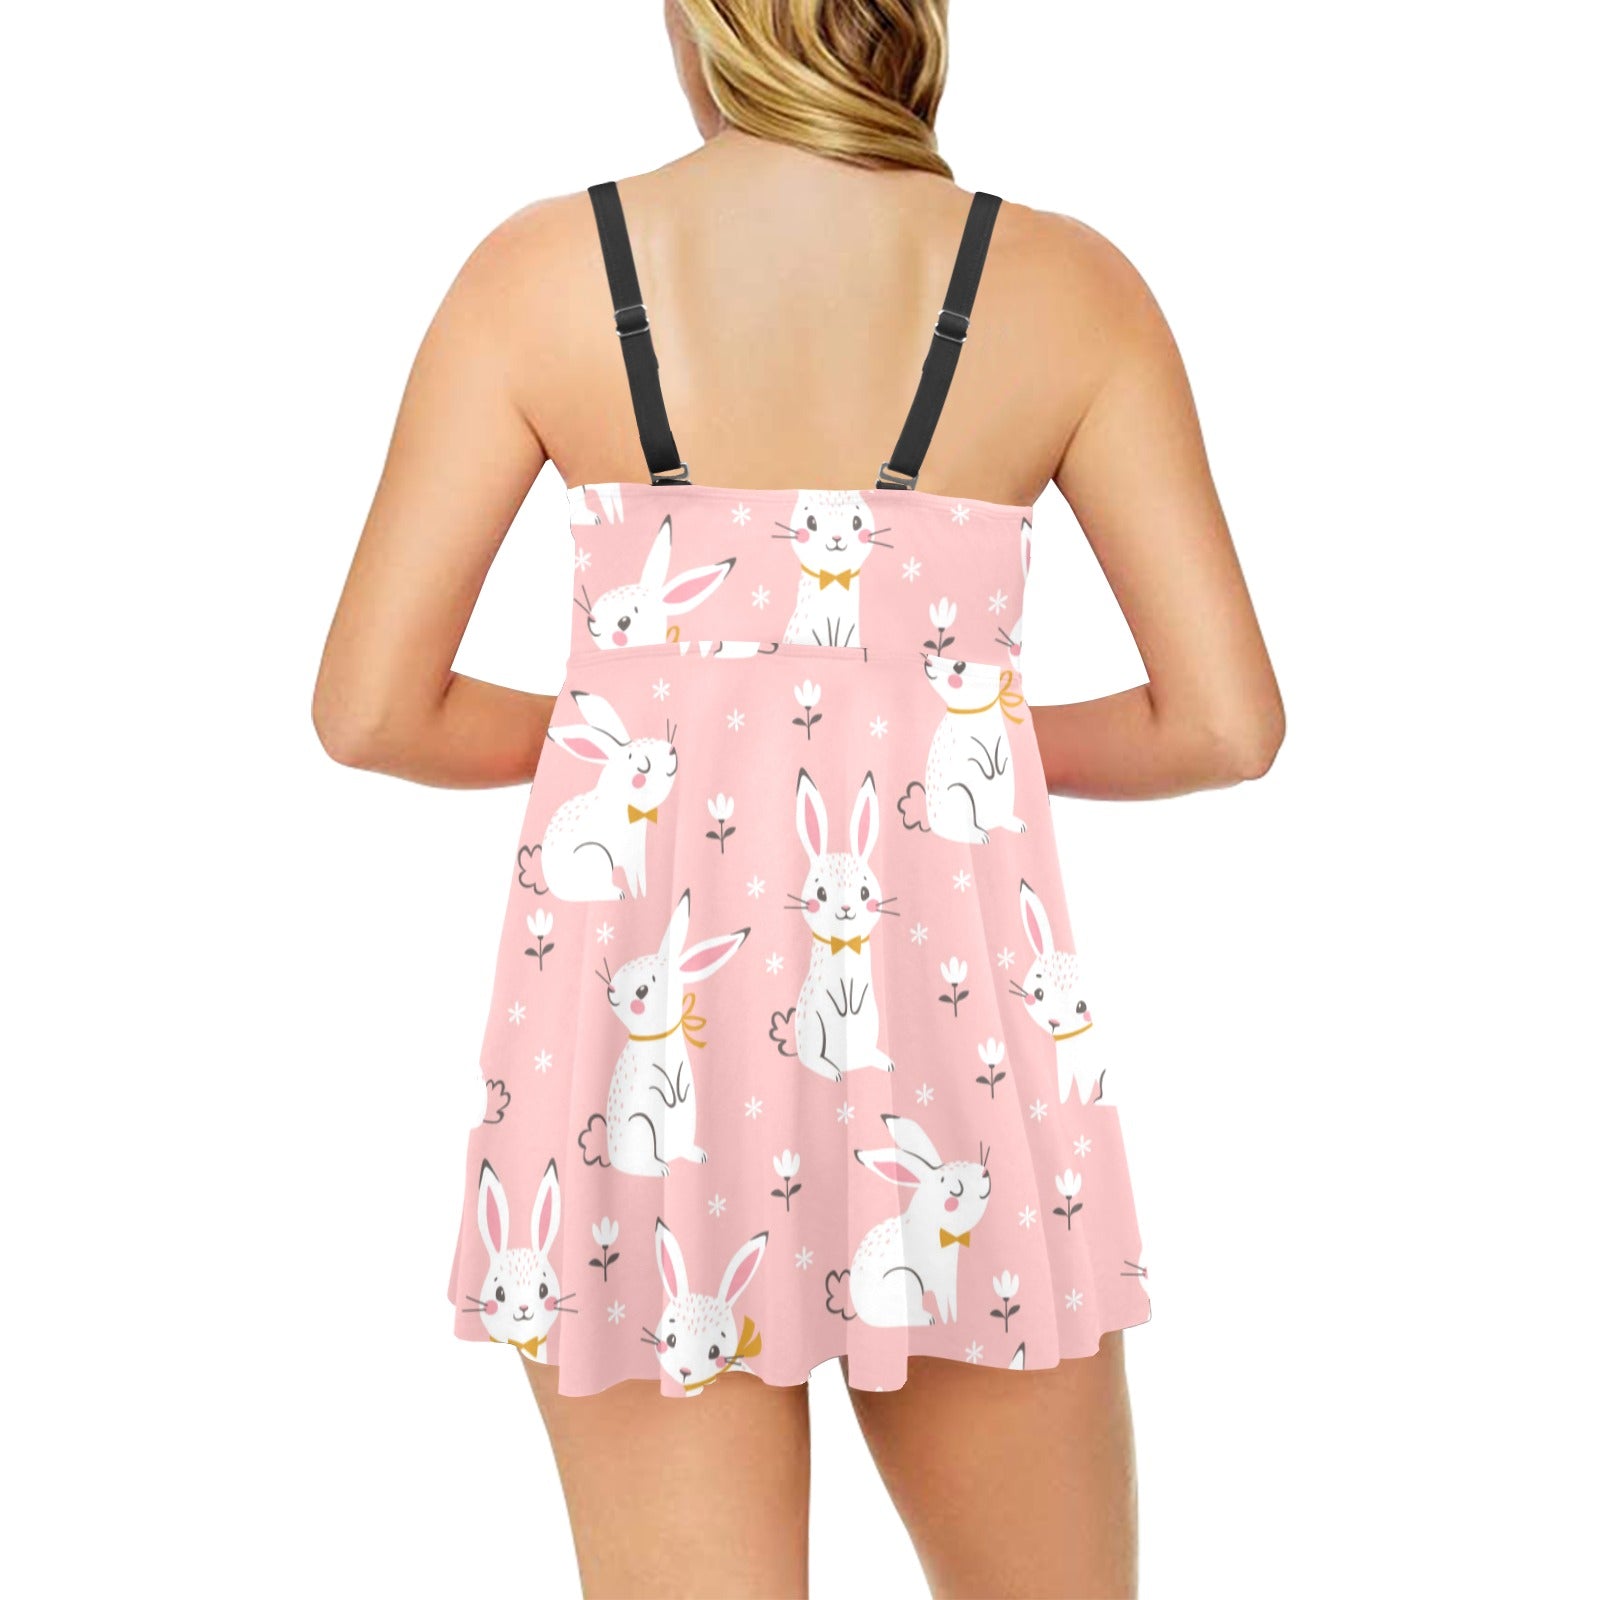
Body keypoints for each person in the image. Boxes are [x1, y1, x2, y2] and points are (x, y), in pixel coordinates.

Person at [313, 3, 1283, 1594]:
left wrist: (679, 720)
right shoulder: (1067, 288)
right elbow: (1224, 725)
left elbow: (371, 709)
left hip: (637, 1065)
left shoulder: (541, 275)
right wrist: (907, 727)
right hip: (952, 1053)